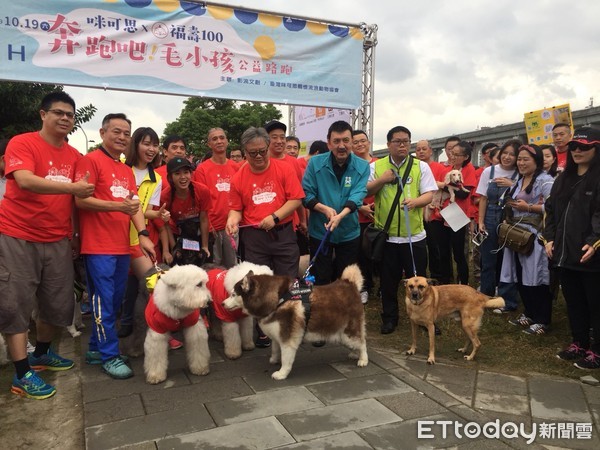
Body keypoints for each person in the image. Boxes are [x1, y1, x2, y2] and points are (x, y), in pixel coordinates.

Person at [0, 92, 95, 399]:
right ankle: (21, 373)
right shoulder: (23, 143)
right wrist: (71, 187)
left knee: (57, 302)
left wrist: (75, 234)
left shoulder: (76, 156)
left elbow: (77, 201)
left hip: (57, 239)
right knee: (15, 304)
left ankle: (41, 353)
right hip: (17, 235)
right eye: (59, 112)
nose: (65, 118)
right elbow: (25, 180)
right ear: (43, 114)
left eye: (70, 114)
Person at [75, 113, 156, 380]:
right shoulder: (90, 161)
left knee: (113, 301)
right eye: (116, 132)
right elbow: (80, 200)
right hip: (98, 246)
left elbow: (133, 205)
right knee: (103, 302)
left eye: (126, 133)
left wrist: (143, 233)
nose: (122, 137)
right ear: (102, 133)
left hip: (122, 246)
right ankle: (110, 355)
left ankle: (96, 349)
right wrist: (116, 206)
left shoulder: (124, 169)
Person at [226, 127, 305, 347]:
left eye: (263, 151)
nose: (259, 156)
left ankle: (289, 325)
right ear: (244, 152)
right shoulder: (239, 177)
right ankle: (263, 329)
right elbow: (235, 208)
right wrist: (232, 219)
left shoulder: (284, 168)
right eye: (253, 153)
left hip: (283, 233)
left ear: (269, 147)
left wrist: (275, 217)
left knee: (286, 281)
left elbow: (296, 199)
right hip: (254, 237)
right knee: (258, 284)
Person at [367, 126, 437, 334]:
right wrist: (382, 180)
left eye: (406, 141)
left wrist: (415, 202)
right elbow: (366, 191)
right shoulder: (376, 167)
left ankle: (426, 318)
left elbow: (429, 194)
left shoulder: (420, 167)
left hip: (414, 235)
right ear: (388, 144)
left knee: (420, 281)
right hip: (387, 237)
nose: (402, 145)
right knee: (388, 282)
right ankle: (390, 318)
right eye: (397, 141)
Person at [544, 127, 600, 369]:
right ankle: (578, 342)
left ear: (596, 149)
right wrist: (549, 238)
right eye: (575, 146)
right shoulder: (563, 179)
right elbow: (550, 210)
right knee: (574, 301)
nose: (578, 150)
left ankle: (597, 350)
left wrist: (594, 240)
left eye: (584, 147)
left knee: (595, 303)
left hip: (591, 254)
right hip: (564, 253)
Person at [118, 127, 171, 340]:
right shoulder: (120, 168)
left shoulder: (156, 178)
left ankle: (161, 329)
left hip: (138, 239)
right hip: (113, 238)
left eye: (155, 144)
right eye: (146, 143)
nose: (151, 149)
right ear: (135, 144)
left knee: (153, 284)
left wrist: (158, 213)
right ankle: (123, 326)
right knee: (119, 290)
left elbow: (144, 209)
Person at [302, 121, 369, 286]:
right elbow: (306, 194)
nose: (341, 146)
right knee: (321, 277)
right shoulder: (315, 163)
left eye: (346, 140)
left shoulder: (362, 166)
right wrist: (323, 209)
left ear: (351, 142)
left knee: (345, 279)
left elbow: (358, 194)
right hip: (320, 230)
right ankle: (322, 310)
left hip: (349, 232)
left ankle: (343, 311)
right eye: (336, 141)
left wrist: (341, 215)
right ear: (329, 142)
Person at [499, 144, 554, 335]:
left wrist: (529, 208)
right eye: (519, 159)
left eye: (525, 159)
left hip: (534, 237)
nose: (521, 163)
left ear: (536, 161)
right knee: (521, 275)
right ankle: (529, 313)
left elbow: (554, 205)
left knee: (537, 277)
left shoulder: (545, 180)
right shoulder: (520, 179)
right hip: (517, 236)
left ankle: (543, 319)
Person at [475, 139, 520, 311]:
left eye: (512, 154)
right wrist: (480, 221)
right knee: (488, 258)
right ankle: (485, 297)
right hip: (491, 216)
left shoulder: (519, 173)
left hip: (510, 218)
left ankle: (506, 297)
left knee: (508, 260)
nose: (507, 157)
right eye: (505, 153)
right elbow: (483, 198)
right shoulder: (489, 171)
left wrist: (512, 185)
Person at [429, 141, 477, 285]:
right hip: (441, 213)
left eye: (456, 154)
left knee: (458, 253)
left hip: (457, 214)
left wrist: (443, 185)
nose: (452, 156)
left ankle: (463, 283)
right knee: (442, 251)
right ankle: (445, 282)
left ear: (466, 156)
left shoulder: (468, 169)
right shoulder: (448, 168)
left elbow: (463, 194)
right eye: (451, 153)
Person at [193, 128, 240, 268]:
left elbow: (240, 196)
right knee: (213, 267)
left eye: (222, 137)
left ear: (227, 141)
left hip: (231, 227)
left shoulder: (236, 167)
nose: (219, 141)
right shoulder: (202, 169)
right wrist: (208, 225)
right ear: (209, 144)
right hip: (211, 227)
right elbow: (200, 201)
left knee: (233, 266)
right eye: (214, 139)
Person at [161, 157, 211, 264]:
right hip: (179, 235)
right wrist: (174, 248)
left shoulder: (202, 190)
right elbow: (166, 225)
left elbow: (204, 219)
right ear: (170, 177)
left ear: (191, 174)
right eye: (177, 173)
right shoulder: (165, 196)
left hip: (200, 233)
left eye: (186, 172)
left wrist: (205, 246)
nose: (183, 177)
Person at [415, 139, 449, 281]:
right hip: (416, 213)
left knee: (435, 247)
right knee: (419, 248)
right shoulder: (413, 167)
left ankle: (437, 276)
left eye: (424, 149)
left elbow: (448, 188)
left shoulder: (439, 168)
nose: (421, 152)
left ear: (430, 150)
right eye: (418, 149)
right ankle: (419, 276)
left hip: (435, 215)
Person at [352, 129, 378, 303]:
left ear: (369, 142)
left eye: (363, 141)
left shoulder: (380, 163)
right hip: (357, 215)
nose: (360, 144)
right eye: (356, 142)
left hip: (378, 215)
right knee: (361, 253)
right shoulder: (349, 165)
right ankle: (365, 286)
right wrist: (361, 207)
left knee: (380, 252)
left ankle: (383, 285)